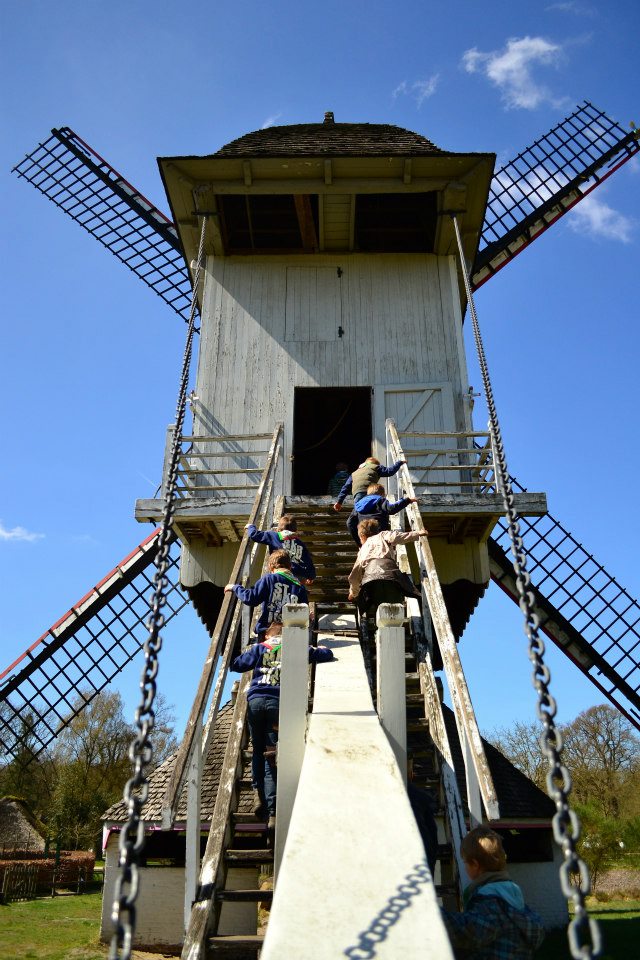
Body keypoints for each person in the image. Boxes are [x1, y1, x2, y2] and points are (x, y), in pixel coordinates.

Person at [228, 552, 333, 827]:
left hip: (254, 700)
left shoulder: (260, 646)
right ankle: (276, 808)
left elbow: (237, 663)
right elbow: (318, 652)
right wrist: (321, 648)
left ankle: (258, 794)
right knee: (274, 753)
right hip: (278, 700)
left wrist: (235, 589)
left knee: (259, 749)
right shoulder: (298, 593)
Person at [441, 826, 545, 959]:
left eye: (465, 862)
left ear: (475, 864)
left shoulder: (490, 902)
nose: (465, 867)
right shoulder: (512, 894)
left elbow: (467, 932)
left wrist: (431, 911)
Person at [347, 518, 428, 618]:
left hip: (371, 579)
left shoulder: (362, 550)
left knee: (380, 609)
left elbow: (354, 576)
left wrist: (353, 593)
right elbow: (398, 537)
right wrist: (418, 533)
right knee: (396, 607)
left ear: (362, 536)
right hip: (390, 574)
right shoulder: (382, 535)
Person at [333, 456, 407, 548]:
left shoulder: (354, 473)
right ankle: (380, 536)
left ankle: (361, 544)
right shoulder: (376, 467)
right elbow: (390, 471)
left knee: (353, 520)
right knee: (378, 512)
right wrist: (399, 463)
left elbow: (345, 488)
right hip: (371, 494)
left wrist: (339, 502)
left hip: (358, 497)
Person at [245, 515, 316, 584]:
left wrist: (251, 527)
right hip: (297, 574)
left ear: (278, 529)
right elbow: (308, 561)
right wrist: (311, 576)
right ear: (295, 530)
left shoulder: (274, 536)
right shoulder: (300, 543)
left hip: (281, 572)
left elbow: (254, 535)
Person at [348, 482, 417, 546]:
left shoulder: (358, 505)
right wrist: (407, 500)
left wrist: (359, 542)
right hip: (379, 533)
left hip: (364, 536)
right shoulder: (380, 500)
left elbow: (349, 523)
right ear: (382, 494)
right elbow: (391, 509)